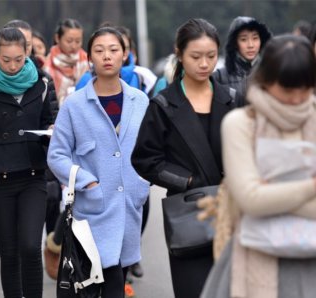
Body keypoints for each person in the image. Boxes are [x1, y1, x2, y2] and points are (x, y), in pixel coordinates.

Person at [131, 18, 245, 298]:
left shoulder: (231, 98)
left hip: (233, 212)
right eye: (195, 56)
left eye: (211, 56)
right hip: (189, 213)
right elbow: (145, 158)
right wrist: (187, 180)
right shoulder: (164, 105)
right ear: (179, 54)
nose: (204, 64)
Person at [201, 34, 316, 298]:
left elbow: (257, 198)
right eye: (288, 90)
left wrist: (271, 193)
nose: (298, 99)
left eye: (306, 88)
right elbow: (250, 200)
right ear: (265, 80)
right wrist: (311, 186)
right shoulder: (241, 123)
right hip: (255, 255)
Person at [47, 26, 150, 298]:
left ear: (125, 55)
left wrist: (141, 183)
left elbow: (152, 150)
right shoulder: (75, 105)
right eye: (99, 50)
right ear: (89, 56)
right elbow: (56, 155)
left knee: (118, 280)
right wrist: (86, 181)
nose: (107, 56)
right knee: (91, 286)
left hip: (128, 209)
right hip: (91, 211)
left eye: (114, 50)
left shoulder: (140, 101)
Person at [0, 27, 56, 298]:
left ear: (27, 53)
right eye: (6, 60)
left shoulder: (41, 82)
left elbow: (47, 121)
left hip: (33, 174)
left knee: (30, 246)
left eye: (18, 58)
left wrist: (51, 133)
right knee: (10, 250)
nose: (13, 65)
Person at [213, 16, 272, 104]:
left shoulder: (271, 73)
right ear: (235, 43)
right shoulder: (219, 77)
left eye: (255, 38)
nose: (251, 45)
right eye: (243, 39)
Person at [45, 18, 89, 105]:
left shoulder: (87, 61)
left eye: (78, 41)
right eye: (69, 41)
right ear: (57, 38)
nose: (73, 46)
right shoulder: (48, 64)